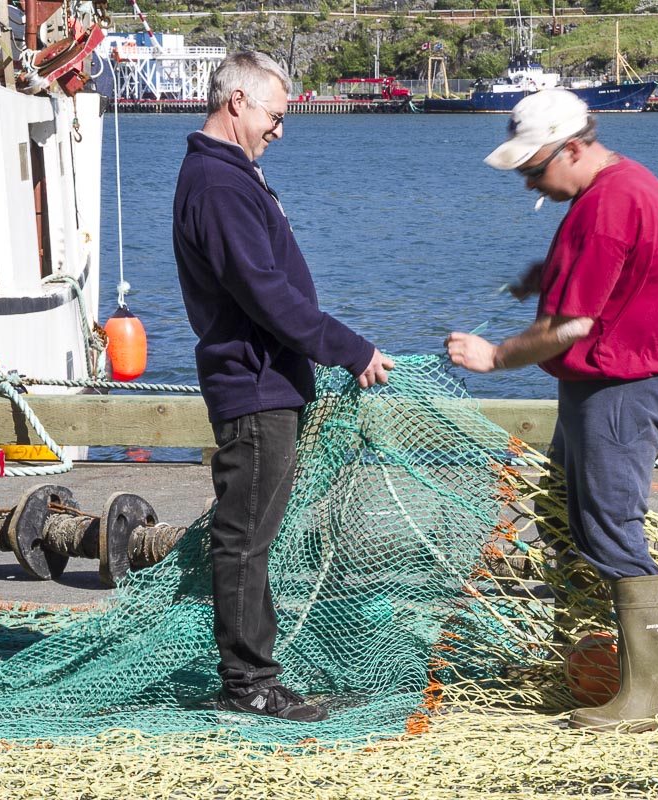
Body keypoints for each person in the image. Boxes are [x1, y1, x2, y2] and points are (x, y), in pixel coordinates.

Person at [444, 89, 658, 733]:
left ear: (575, 147)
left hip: (623, 387)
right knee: (566, 521)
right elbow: (603, 282)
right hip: (612, 385)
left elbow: (573, 324)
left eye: (534, 168)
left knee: (609, 527)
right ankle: (594, 664)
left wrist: (494, 356)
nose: (529, 180)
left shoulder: (607, 204)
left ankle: (648, 698)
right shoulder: (616, 189)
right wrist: (548, 274)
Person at [173, 51, 394, 723]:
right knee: (244, 540)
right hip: (254, 385)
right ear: (237, 102)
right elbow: (266, 295)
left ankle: (256, 675)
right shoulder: (218, 184)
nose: (280, 128)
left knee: (253, 536)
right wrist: (348, 349)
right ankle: (249, 684)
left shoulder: (229, 175)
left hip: (269, 379)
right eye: (275, 114)